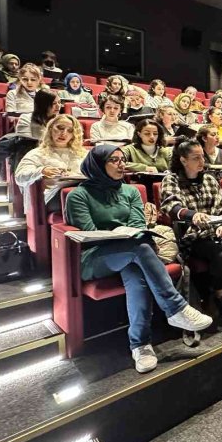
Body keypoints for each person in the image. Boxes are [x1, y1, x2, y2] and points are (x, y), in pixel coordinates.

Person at [65, 145, 213, 373]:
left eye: (122, 159)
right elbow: (89, 234)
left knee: (137, 268)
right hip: (95, 257)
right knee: (139, 248)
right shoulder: (78, 195)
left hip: (131, 252)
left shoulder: (131, 192)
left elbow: (137, 226)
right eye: (113, 160)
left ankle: (140, 345)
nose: (121, 164)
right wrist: (121, 237)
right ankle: (175, 309)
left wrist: (125, 236)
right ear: (97, 164)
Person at [159, 139, 222, 320]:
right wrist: (192, 215)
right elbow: (171, 206)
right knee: (221, 254)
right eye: (196, 158)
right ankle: (217, 294)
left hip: (217, 230)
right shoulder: (171, 180)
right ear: (183, 160)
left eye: (203, 156)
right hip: (192, 234)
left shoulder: (209, 179)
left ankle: (213, 290)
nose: (202, 161)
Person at [14, 114, 87, 213]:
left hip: (81, 193)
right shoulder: (37, 153)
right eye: (60, 128)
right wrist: (42, 171)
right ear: (51, 129)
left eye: (70, 131)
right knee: (76, 195)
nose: (64, 133)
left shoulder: (84, 154)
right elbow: (19, 177)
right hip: (52, 198)